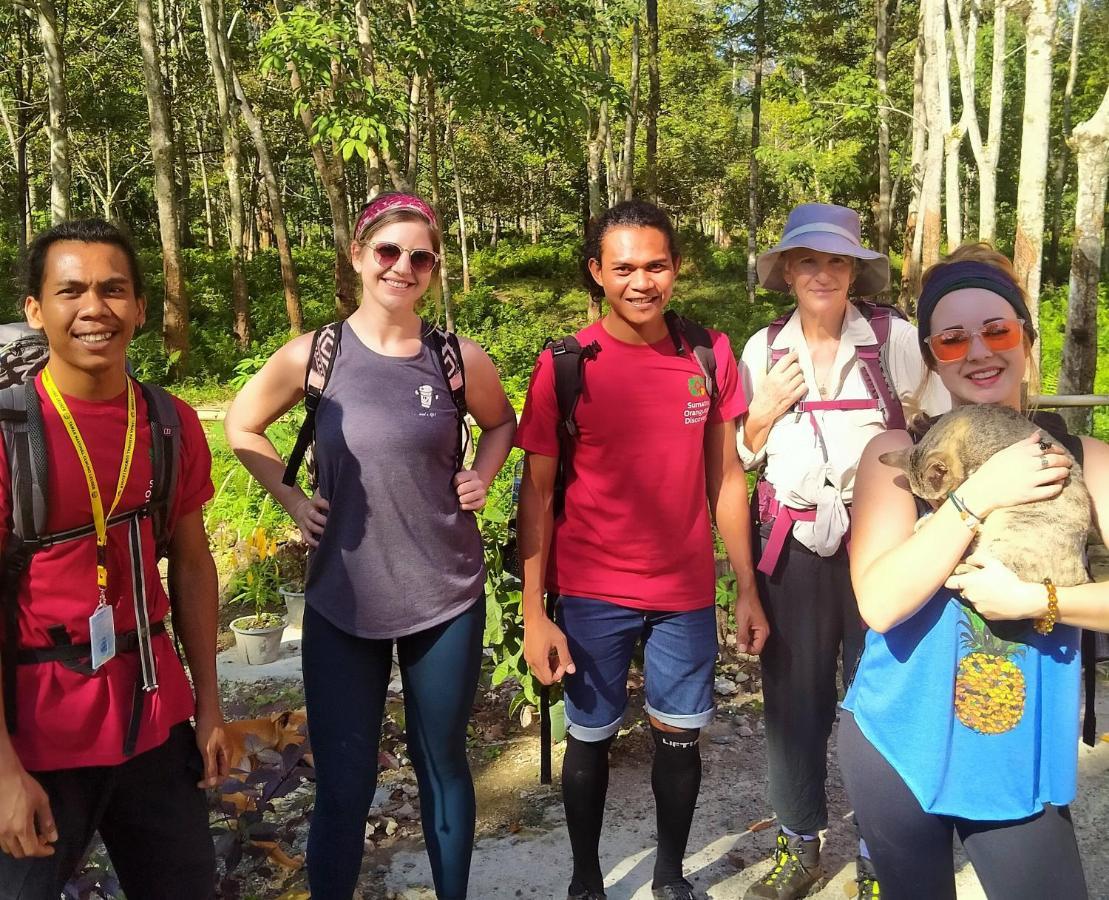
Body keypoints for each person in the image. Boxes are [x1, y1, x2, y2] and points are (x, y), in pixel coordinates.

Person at [224, 191, 516, 900]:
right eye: (387, 251)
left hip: (443, 593)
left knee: (442, 762)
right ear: (358, 257)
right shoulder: (315, 356)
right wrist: (292, 499)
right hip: (341, 599)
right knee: (346, 780)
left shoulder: (455, 358)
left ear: (434, 270)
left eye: (420, 257)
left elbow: (502, 424)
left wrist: (480, 476)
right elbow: (242, 426)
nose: (402, 267)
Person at [841, 243, 1109, 899]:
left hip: (1015, 757)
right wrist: (976, 496)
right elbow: (878, 603)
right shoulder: (897, 454)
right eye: (953, 340)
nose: (979, 352)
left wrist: (1033, 601)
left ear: (1023, 335)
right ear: (932, 357)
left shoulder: (1086, 459)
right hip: (896, 743)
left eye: (996, 330)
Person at [517, 199, 767, 900]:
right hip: (591, 590)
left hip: (684, 593)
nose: (640, 281)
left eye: (655, 265)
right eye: (623, 266)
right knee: (589, 738)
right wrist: (535, 614)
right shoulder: (564, 364)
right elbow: (534, 497)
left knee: (680, 740)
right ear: (596, 272)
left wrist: (743, 587)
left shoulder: (706, 353)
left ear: (675, 268)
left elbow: (724, 477)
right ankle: (587, 879)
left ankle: (667, 875)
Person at [0, 219, 230, 899]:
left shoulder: (168, 423)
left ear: (139, 307)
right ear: (37, 311)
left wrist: (209, 708)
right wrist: (3, 772)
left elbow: (192, 564)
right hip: (38, 738)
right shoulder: (11, 435)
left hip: (153, 723)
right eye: (71, 292)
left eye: (113, 290)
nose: (94, 308)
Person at [737, 204, 948, 900]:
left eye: (834, 261)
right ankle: (797, 844)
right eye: (807, 260)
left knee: (877, 699)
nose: (821, 273)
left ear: (853, 270)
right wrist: (763, 411)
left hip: (881, 541)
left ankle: (876, 852)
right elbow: (741, 453)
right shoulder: (761, 348)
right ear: (786, 271)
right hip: (792, 544)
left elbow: (940, 428)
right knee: (792, 702)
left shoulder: (893, 338)